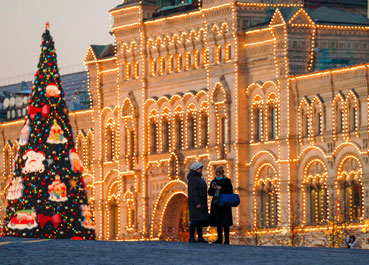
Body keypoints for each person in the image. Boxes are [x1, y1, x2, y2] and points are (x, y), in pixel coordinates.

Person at [208, 166, 233, 244]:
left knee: (225, 222)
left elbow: (230, 190)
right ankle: (219, 239)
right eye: (216, 174)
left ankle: (226, 240)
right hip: (216, 204)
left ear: (222, 174)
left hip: (225, 204)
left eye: (219, 174)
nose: (218, 175)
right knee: (218, 222)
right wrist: (213, 188)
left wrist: (220, 188)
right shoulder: (213, 181)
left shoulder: (227, 181)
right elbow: (210, 193)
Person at [187, 162, 209, 243]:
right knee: (194, 220)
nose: (201, 170)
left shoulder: (199, 178)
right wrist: (197, 203)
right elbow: (193, 192)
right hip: (195, 204)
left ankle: (200, 237)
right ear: (196, 169)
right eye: (200, 168)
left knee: (200, 220)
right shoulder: (193, 179)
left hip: (201, 202)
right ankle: (191, 237)